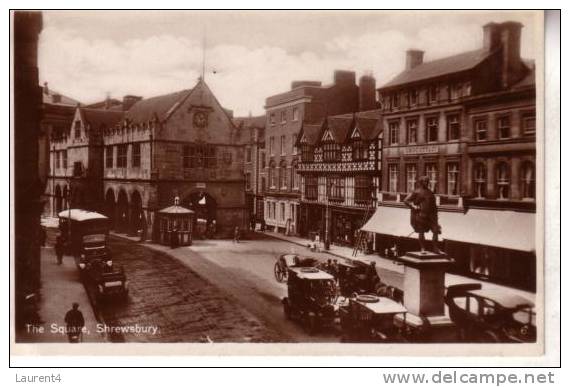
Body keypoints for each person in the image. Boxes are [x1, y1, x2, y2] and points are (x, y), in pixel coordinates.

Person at [403, 175, 443, 254]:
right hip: (421, 215)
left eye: (427, 181)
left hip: (431, 216)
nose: (427, 183)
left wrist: (436, 217)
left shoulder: (430, 192)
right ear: (421, 182)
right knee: (421, 232)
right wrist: (413, 206)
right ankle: (423, 248)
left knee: (435, 231)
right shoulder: (416, 191)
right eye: (425, 181)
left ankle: (435, 248)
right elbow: (406, 200)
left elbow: (433, 205)